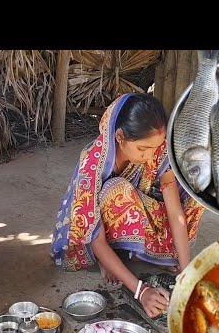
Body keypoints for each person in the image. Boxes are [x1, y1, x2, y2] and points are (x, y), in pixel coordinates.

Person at [51, 93, 204, 318]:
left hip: (133, 214)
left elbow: (175, 212)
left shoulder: (156, 149)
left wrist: (186, 268)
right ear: (120, 137)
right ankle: (111, 257)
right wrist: (141, 292)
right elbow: (95, 237)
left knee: (195, 195)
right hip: (97, 232)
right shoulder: (92, 164)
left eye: (156, 147)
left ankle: (127, 256)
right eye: (143, 149)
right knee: (116, 190)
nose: (150, 155)